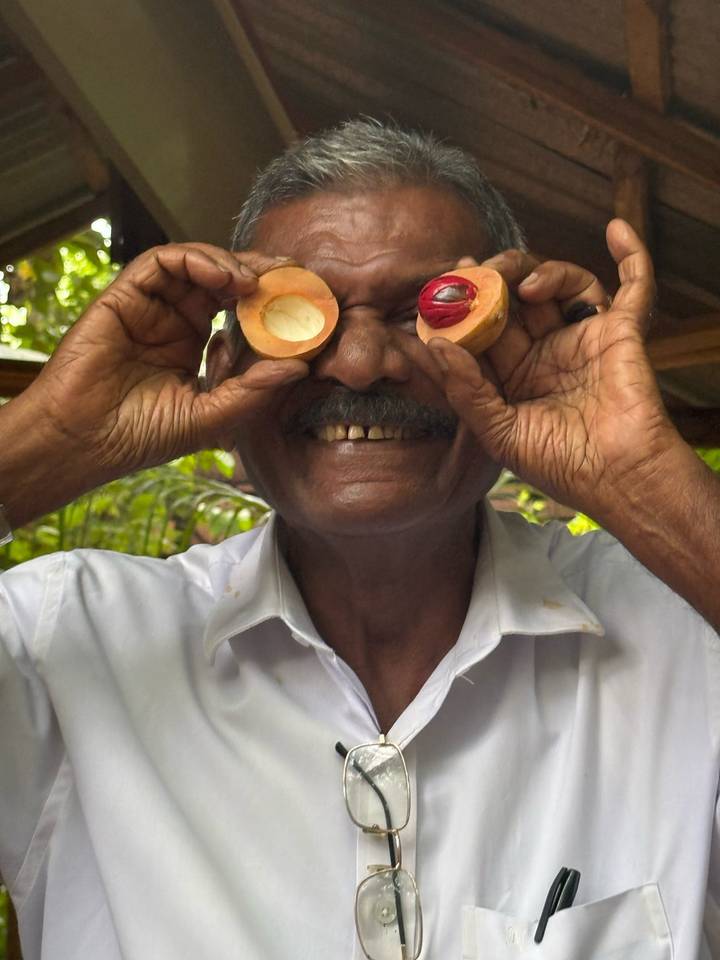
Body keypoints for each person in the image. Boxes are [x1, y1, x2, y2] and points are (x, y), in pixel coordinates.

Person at [0, 118, 718, 960]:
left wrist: (642, 478)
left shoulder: (682, 632)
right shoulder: (61, 646)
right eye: (303, 316)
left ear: (511, 348)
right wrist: (44, 443)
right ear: (226, 372)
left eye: (431, 312)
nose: (359, 364)